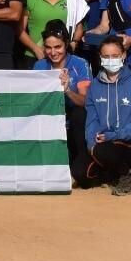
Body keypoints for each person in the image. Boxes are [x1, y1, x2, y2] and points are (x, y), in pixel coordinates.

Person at [76, 36, 131, 194]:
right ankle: (112, 174)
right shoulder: (95, 85)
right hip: (101, 143)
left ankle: (128, 175)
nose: (111, 60)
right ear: (100, 57)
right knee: (80, 174)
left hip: (126, 142)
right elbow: (92, 119)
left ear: (123, 55)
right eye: (106, 56)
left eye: (115, 56)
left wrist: (114, 135)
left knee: (102, 151)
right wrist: (90, 144)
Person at [34, 23, 91, 177]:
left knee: (80, 113)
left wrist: (67, 90)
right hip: (49, 117)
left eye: (57, 47)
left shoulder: (80, 64)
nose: (53, 52)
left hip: (73, 119)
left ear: (66, 44)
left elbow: (85, 102)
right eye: (48, 47)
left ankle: (83, 156)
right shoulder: (39, 66)